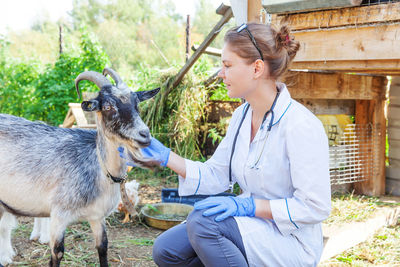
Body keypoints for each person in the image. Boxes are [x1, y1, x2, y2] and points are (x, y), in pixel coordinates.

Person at [124, 22, 331, 266]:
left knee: (202, 223)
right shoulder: (241, 117)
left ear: (256, 68)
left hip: (289, 240)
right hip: (250, 227)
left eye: (227, 65)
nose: (221, 73)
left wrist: (248, 205)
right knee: (167, 250)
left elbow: (315, 208)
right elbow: (216, 174)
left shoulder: (300, 125)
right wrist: (165, 156)